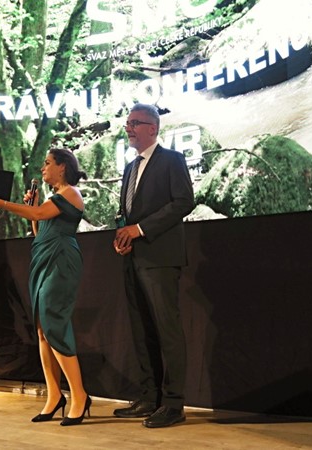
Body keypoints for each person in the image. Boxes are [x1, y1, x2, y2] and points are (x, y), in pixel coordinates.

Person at [0, 148, 91, 426]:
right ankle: (54, 395)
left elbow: (40, 214)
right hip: (43, 257)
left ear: (63, 166)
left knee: (54, 324)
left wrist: (2, 203)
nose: (43, 168)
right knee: (42, 330)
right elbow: (39, 228)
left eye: (48, 163)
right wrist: (34, 209)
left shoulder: (71, 193)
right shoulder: (55, 198)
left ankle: (79, 395)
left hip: (61, 260)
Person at [113, 103, 195, 428]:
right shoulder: (129, 168)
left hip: (161, 259)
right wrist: (123, 235)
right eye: (127, 123)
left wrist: (141, 229)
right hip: (133, 258)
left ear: (153, 127)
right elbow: (127, 213)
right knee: (141, 330)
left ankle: (173, 404)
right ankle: (150, 398)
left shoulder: (172, 160)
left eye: (135, 122)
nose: (129, 128)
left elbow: (184, 201)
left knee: (167, 331)